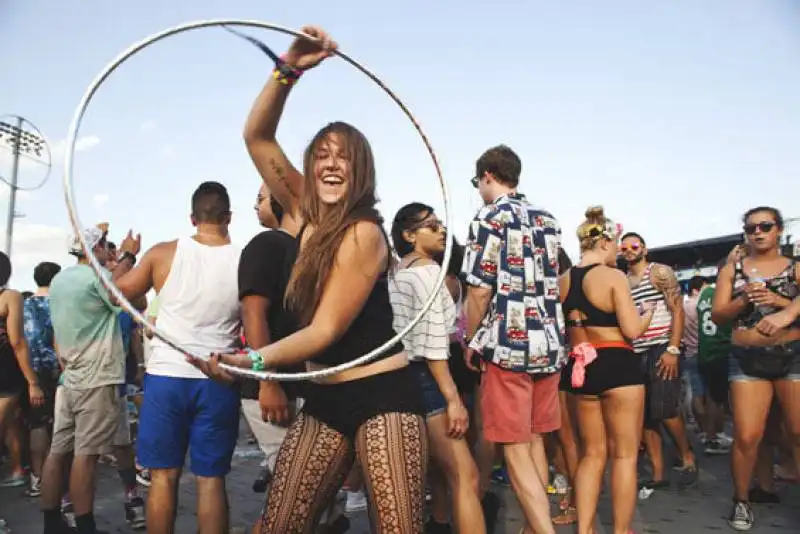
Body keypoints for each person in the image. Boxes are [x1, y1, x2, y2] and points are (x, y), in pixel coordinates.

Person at [195, 25, 428, 534]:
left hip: (382, 394)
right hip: (323, 397)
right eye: (320, 154)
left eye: (341, 155)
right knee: (278, 524)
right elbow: (256, 136)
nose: (329, 163)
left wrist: (248, 363)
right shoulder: (304, 210)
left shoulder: (364, 233)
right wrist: (288, 70)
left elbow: (323, 332)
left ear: (359, 169)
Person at [109, 182, 242, 534]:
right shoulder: (244, 259)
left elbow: (116, 293)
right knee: (211, 480)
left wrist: (126, 255)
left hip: (167, 378)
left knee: (163, 477)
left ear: (192, 217)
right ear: (228, 217)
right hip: (218, 378)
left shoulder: (163, 253)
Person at [461, 144, 565, 534]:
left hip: (508, 344)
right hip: (550, 345)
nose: (478, 189)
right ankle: (534, 528)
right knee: (536, 440)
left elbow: (478, 289)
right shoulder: (548, 219)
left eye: (478, 182)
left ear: (488, 175)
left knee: (515, 449)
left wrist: (472, 338)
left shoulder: (489, 217)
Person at [389, 202, 485, 534]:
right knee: (466, 476)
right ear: (409, 235)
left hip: (402, 378)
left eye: (440, 223)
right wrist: (452, 398)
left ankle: (440, 522)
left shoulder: (398, 272)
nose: (441, 229)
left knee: (433, 471)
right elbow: (432, 345)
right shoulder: (429, 274)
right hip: (430, 378)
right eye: (431, 226)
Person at [41, 227, 141, 534]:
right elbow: (119, 291)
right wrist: (128, 255)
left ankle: (51, 522)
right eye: (103, 245)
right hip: (97, 379)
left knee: (58, 451)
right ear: (94, 247)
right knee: (86, 455)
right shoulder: (93, 278)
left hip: (69, 379)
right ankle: (85, 525)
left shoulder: (59, 281)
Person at [560, 207, 653, 534]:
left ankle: (584, 529)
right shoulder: (612, 276)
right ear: (604, 243)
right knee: (625, 457)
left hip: (581, 367)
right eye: (615, 246)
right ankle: (621, 529)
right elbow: (631, 330)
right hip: (617, 364)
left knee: (591, 454)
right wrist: (647, 315)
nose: (618, 252)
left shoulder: (564, 280)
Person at [711, 206, 800, 531]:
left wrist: (782, 307)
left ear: (778, 229)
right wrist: (743, 300)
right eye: (751, 228)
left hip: (792, 354)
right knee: (748, 435)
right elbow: (719, 316)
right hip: (746, 358)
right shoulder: (732, 271)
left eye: (765, 226)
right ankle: (742, 500)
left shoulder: (794, 267)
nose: (758, 232)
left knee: (798, 431)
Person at [620, 232, 698, 497]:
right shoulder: (622, 280)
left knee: (665, 408)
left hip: (661, 346)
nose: (629, 250)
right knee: (645, 415)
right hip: (634, 351)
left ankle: (687, 456)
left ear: (644, 248)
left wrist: (673, 349)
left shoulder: (659, 273)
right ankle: (658, 473)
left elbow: (677, 310)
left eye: (634, 245)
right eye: (625, 246)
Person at [21, 261, 62, 498]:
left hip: (31, 371)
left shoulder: (25, 304)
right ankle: (56, 475)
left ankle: (36, 477)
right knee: (60, 425)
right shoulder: (59, 304)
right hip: (58, 369)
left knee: (37, 424)